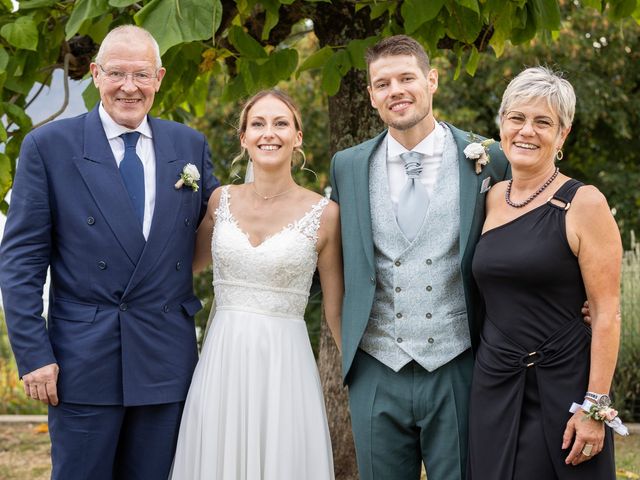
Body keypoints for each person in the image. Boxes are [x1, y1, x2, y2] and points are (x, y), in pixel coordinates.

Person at [0, 25, 218, 480]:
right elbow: (21, 262)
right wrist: (34, 353)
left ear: (158, 77)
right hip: (81, 361)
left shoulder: (189, 145)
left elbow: (226, 226)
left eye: (141, 74)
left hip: (165, 359)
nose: (129, 86)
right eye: (116, 73)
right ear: (96, 74)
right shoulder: (48, 147)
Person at [329, 35, 510, 480]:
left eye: (407, 77)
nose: (396, 91)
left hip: (458, 361)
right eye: (383, 83)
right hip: (375, 365)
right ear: (371, 95)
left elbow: (527, 239)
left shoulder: (490, 159)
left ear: (431, 80)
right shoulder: (347, 165)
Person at [169, 89, 343, 480]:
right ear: (244, 137)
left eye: (281, 123)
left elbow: (336, 311)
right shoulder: (219, 201)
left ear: (297, 137)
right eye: (258, 124)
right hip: (223, 360)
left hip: (286, 364)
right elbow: (184, 267)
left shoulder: (325, 215)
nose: (270, 133)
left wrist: (362, 379)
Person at [467, 66, 623, 479]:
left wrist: (595, 407)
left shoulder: (583, 203)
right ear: (502, 125)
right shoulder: (489, 196)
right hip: (493, 386)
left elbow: (607, 312)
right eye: (517, 118)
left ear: (563, 135)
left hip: (564, 388)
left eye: (543, 122)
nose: (527, 131)